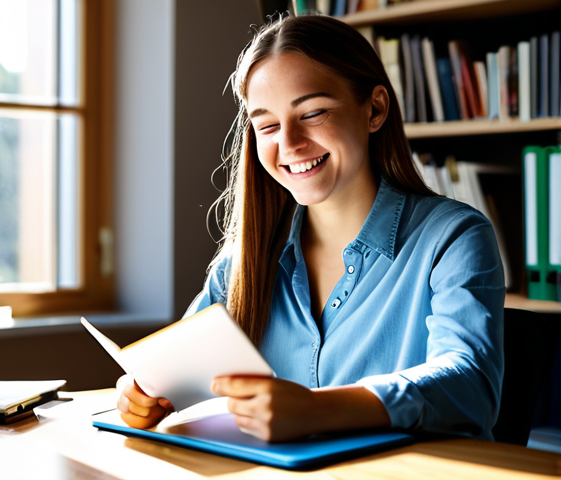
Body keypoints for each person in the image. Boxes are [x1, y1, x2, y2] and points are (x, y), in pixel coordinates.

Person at [117, 14, 505, 442]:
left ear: (374, 109)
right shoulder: (241, 264)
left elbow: (470, 387)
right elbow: (177, 376)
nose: (289, 143)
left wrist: (318, 409)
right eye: (266, 125)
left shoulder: (453, 238)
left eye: (313, 113)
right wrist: (144, 394)